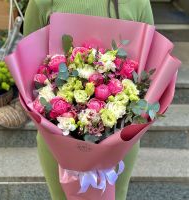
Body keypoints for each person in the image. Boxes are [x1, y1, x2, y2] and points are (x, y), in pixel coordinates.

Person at [24, 0, 154, 199]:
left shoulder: (138, 2)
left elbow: (150, 63)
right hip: (58, 137)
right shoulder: (41, 2)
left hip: (120, 136)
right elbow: (30, 64)